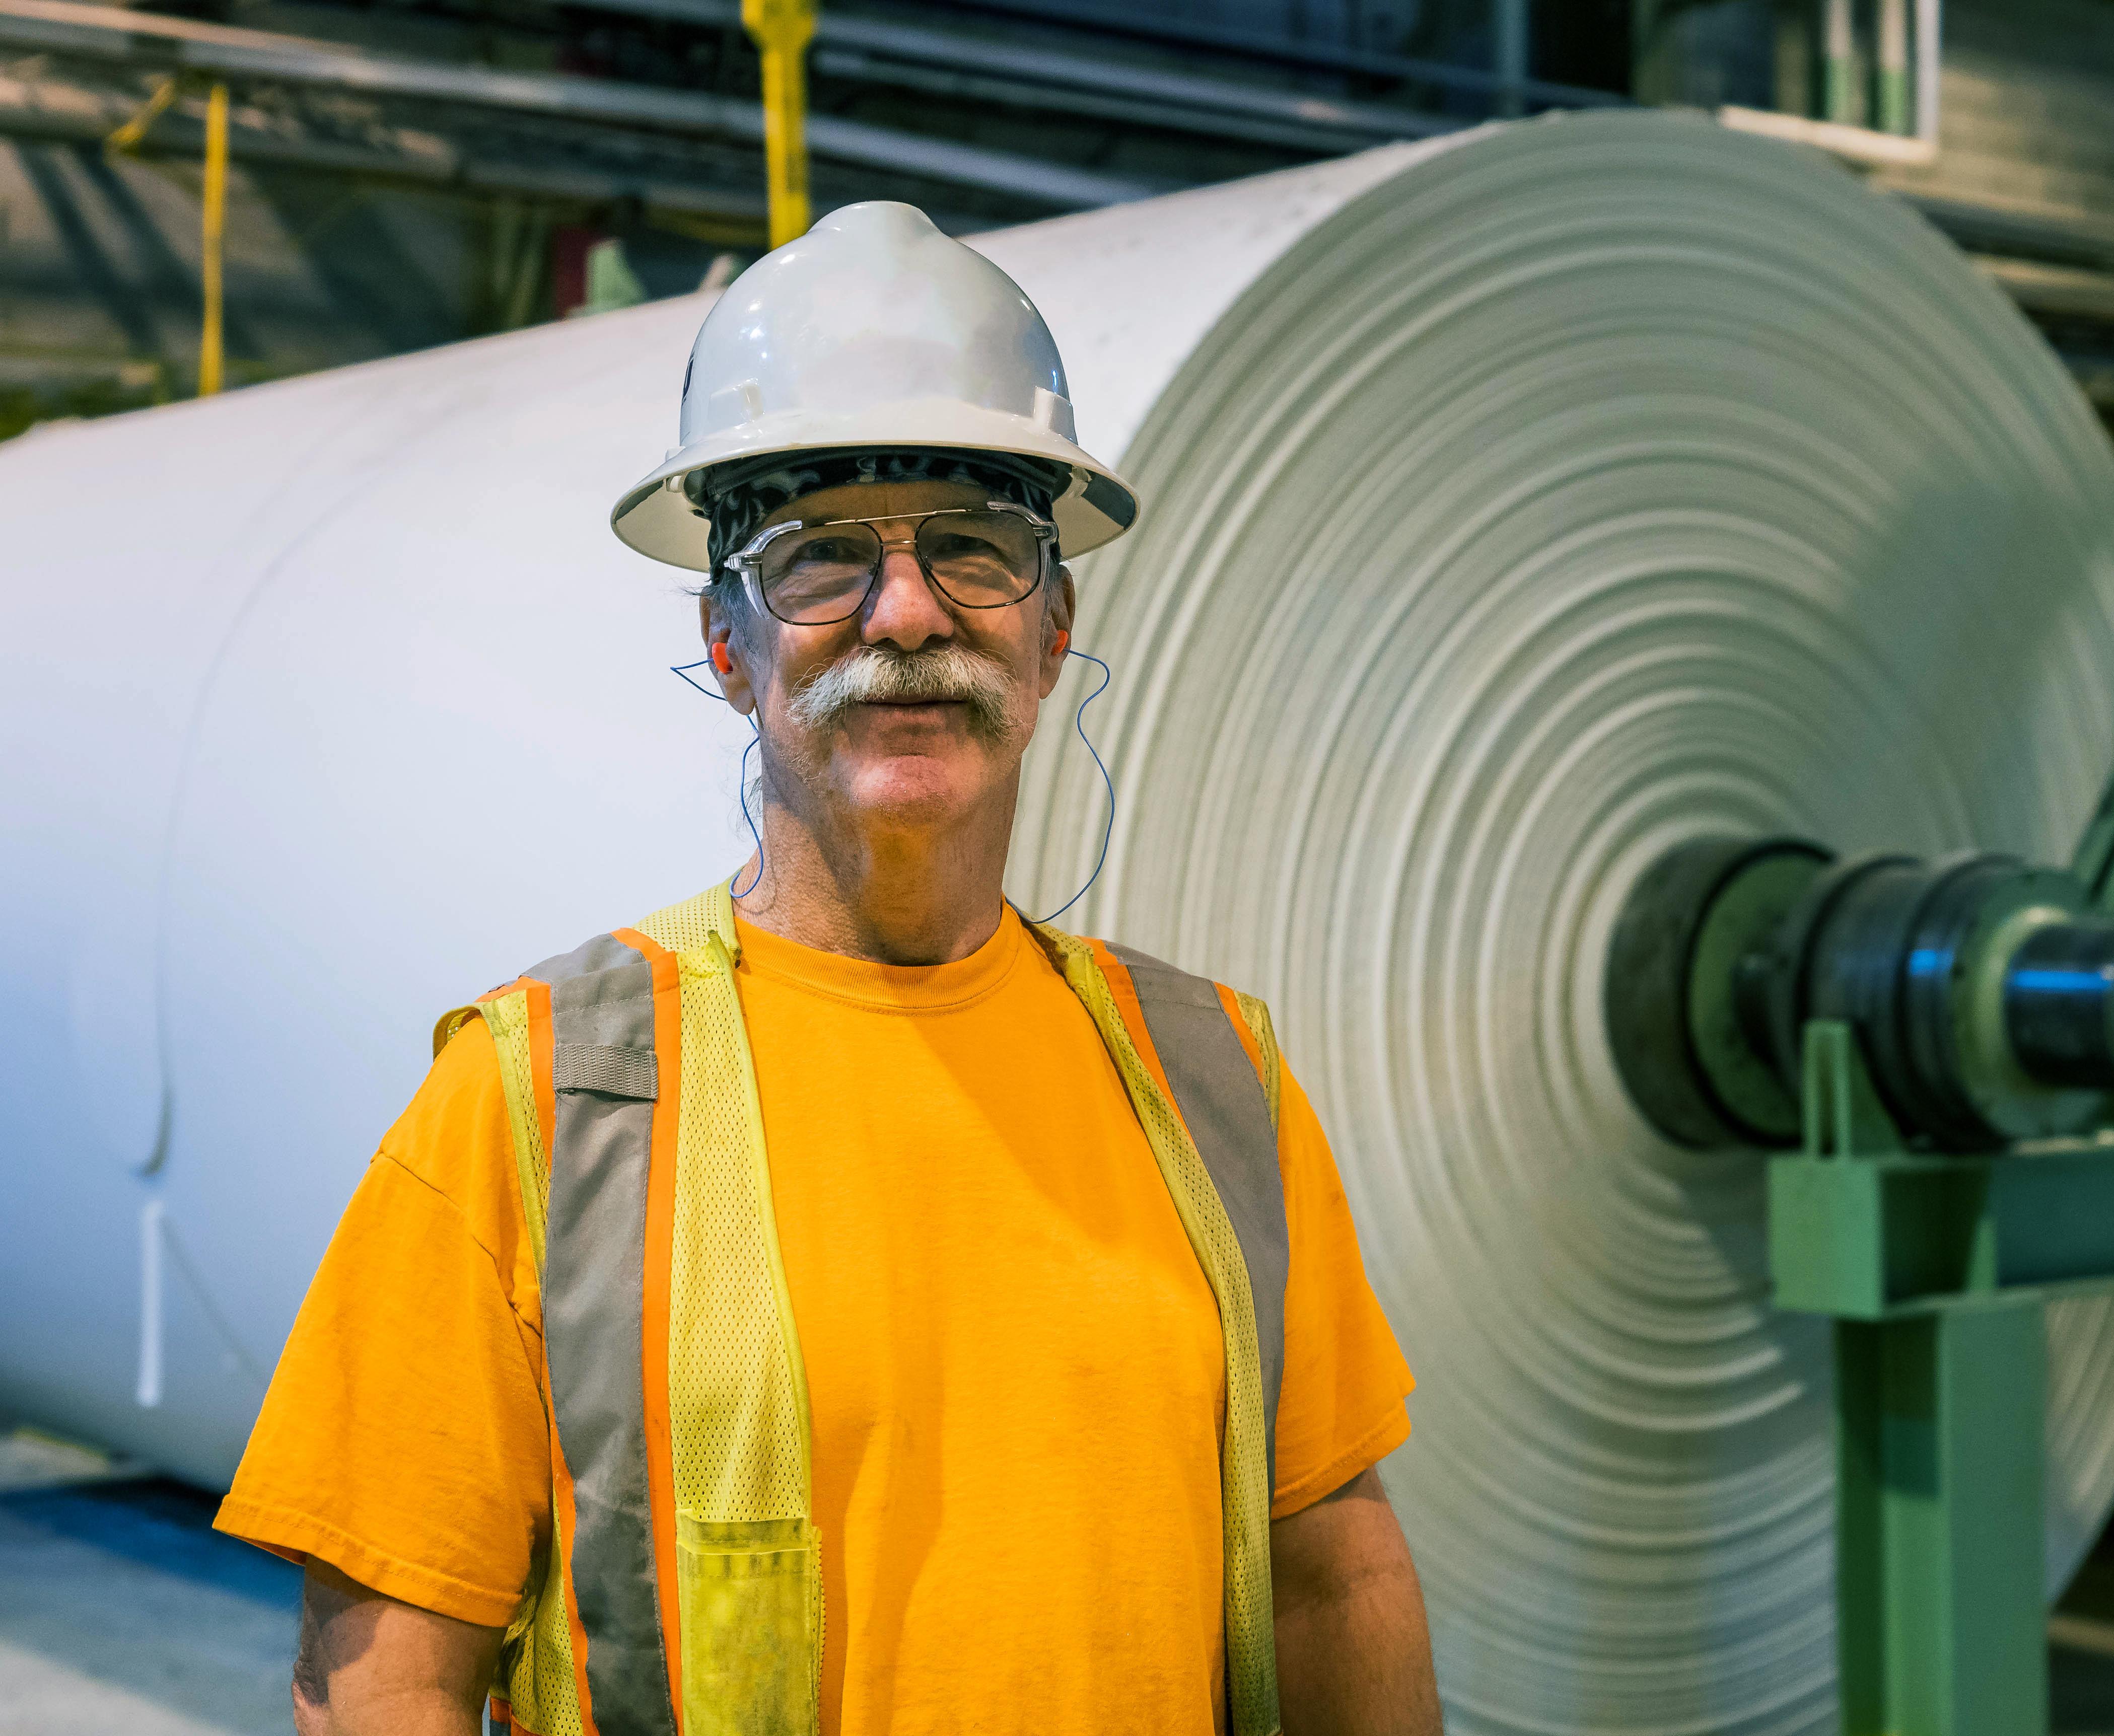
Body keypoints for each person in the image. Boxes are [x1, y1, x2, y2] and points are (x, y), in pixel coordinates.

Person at [216, 201, 1440, 1736]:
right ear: (727, 645)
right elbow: (385, 1674)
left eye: (977, 552)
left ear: (1054, 632)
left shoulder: (1211, 1076)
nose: (909, 613)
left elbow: (1334, 1571)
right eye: (819, 563)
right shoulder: (538, 1102)